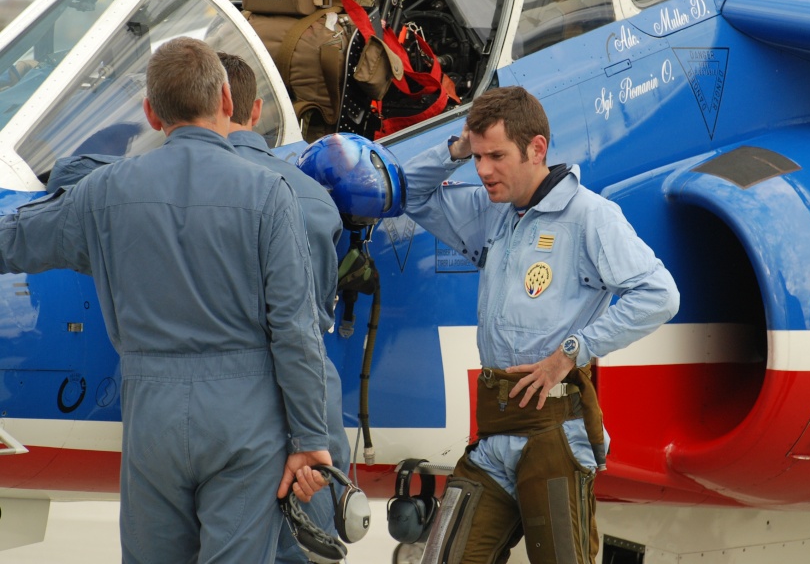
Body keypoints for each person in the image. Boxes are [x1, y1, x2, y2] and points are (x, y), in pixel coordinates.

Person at [0, 37, 330, 564]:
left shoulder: (102, 191)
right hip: (244, 418)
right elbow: (295, 329)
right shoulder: (270, 194)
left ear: (152, 113)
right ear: (228, 101)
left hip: (150, 414)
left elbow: (13, 240)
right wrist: (311, 437)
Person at [402, 85, 680, 564]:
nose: (483, 170)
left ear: (537, 149)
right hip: (492, 435)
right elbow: (410, 190)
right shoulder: (492, 212)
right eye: (478, 156)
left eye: (497, 156)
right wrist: (457, 147)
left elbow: (660, 295)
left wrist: (569, 354)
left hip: (554, 435)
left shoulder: (591, 217)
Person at [219, 51, 352, 563]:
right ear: (254, 113)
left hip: (211, 407)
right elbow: (307, 318)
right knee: (307, 547)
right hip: (303, 397)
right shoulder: (312, 196)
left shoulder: (150, 179)